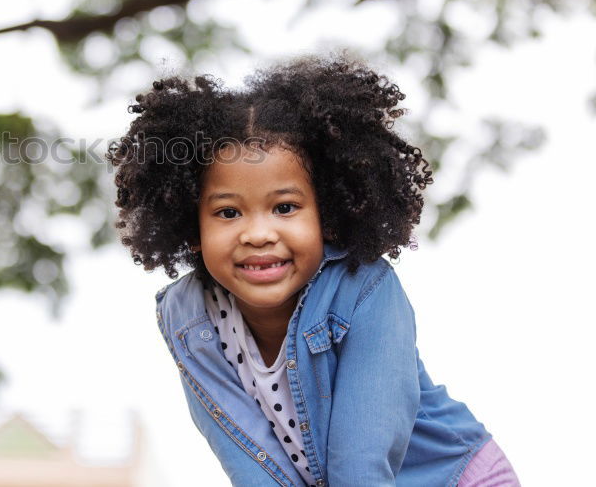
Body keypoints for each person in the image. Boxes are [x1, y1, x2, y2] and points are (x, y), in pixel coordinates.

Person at [107, 56, 519, 486]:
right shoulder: (187, 318)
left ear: (328, 216)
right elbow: (247, 457)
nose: (259, 233)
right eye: (228, 212)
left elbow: (362, 465)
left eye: (285, 208)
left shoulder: (364, 289)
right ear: (192, 227)